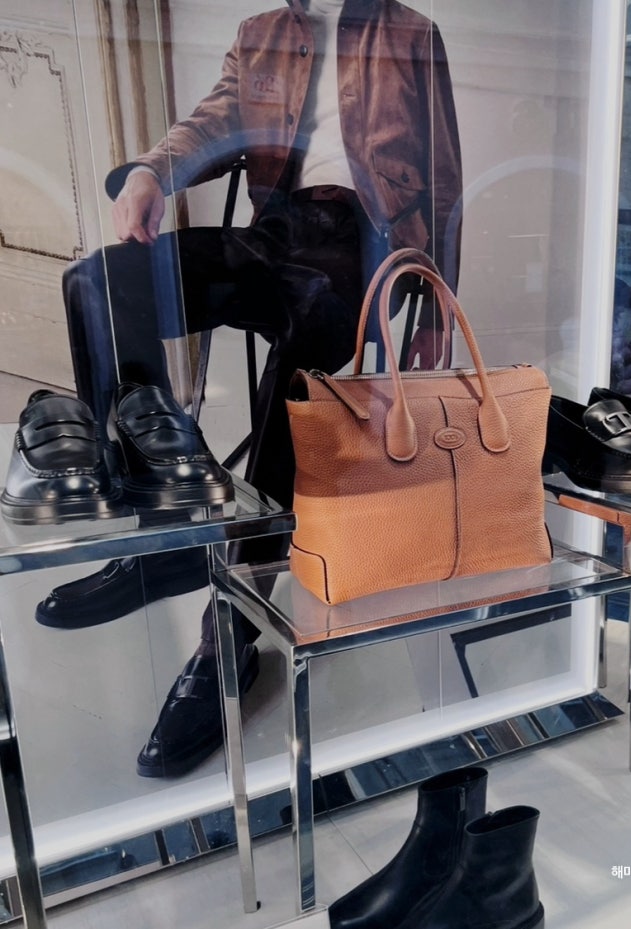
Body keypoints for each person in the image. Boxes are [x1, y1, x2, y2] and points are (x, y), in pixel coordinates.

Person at [42, 0, 462, 778]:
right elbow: (212, 122)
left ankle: (230, 624)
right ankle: (159, 534)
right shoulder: (263, 33)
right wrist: (150, 171)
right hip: (275, 233)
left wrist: (434, 308)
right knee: (97, 283)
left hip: (363, 248)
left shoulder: (409, 33)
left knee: (307, 337)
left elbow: (443, 182)